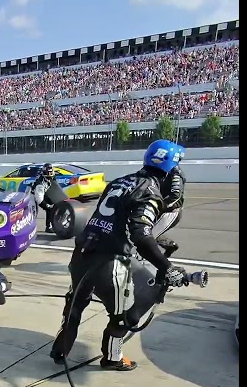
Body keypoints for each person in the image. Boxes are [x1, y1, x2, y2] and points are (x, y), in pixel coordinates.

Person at [49, 140, 196, 372]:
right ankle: (112, 358)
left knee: (75, 305)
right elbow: (140, 234)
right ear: (170, 170)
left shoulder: (120, 181)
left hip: (82, 254)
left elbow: (116, 219)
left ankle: (60, 350)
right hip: (110, 263)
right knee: (124, 317)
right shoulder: (149, 191)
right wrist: (167, 268)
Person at [31, 163, 67, 233]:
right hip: (34, 196)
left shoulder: (52, 177)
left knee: (55, 206)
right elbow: (39, 199)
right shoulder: (40, 184)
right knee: (48, 209)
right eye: (48, 173)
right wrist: (47, 206)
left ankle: (57, 223)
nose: (50, 175)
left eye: (51, 172)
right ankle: (48, 227)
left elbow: (55, 188)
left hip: (44, 193)